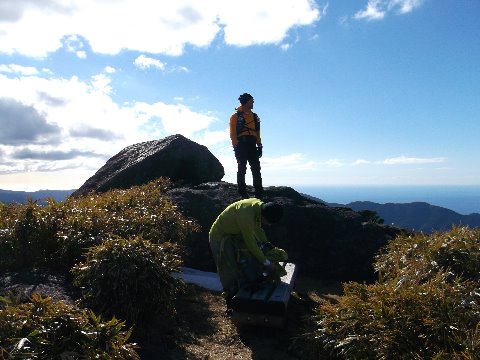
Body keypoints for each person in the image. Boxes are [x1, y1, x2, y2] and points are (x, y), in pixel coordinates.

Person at [209, 198, 287, 309]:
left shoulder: (258, 207)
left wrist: (268, 245)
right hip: (220, 237)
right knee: (228, 269)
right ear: (263, 216)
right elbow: (251, 243)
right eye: (268, 222)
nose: (268, 225)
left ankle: (244, 299)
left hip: (234, 235)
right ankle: (231, 304)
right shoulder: (246, 215)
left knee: (242, 264)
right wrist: (267, 263)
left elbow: (258, 229)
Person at [230, 92, 263, 199]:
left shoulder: (255, 116)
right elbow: (233, 133)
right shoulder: (235, 116)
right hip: (241, 144)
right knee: (242, 167)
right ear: (246, 101)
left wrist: (259, 145)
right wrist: (236, 146)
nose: (253, 102)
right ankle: (242, 192)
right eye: (251, 100)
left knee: (256, 168)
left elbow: (257, 132)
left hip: (252, 144)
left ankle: (259, 192)